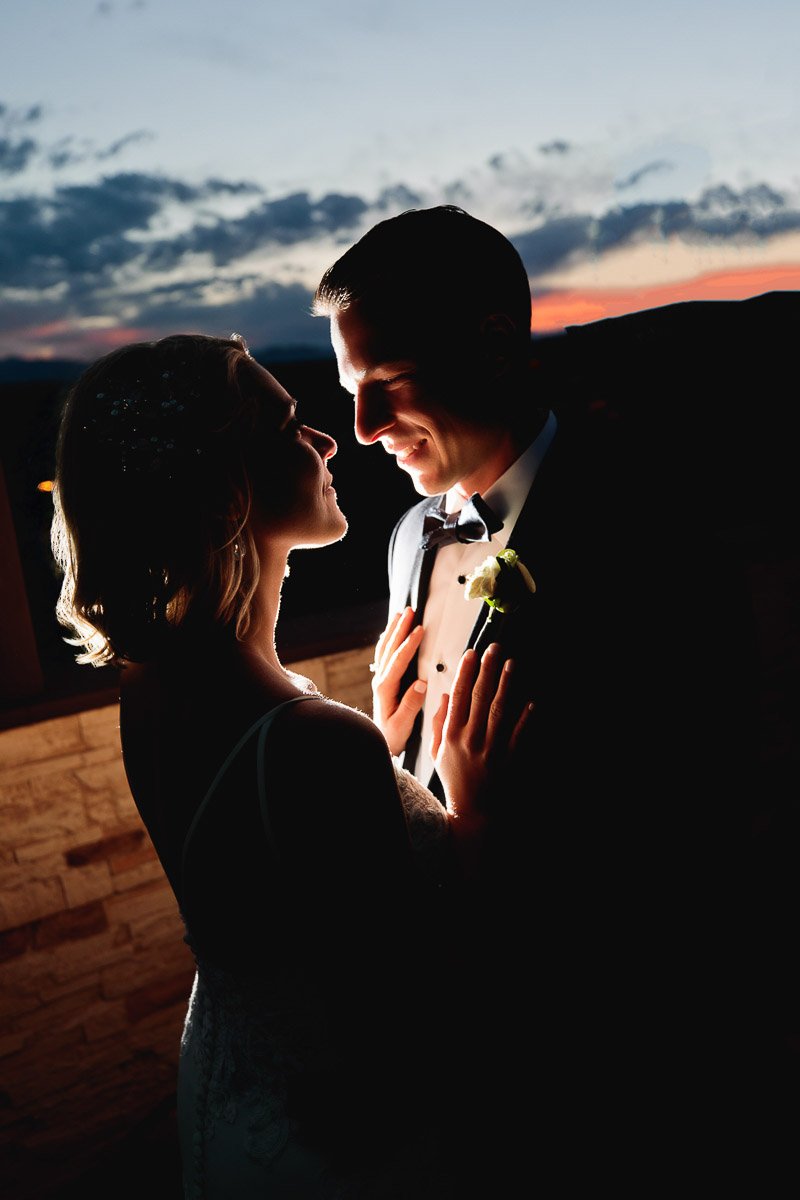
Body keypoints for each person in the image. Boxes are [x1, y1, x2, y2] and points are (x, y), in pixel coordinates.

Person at [313, 206, 763, 1184]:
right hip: (461, 1035)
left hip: (625, 1040)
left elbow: (722, 793)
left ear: (488, 340)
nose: (363, 427)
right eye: (351, 392)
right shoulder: (408, 541)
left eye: (385, 381)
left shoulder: (647, 518)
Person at [49, 332, 532, 1199]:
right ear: (226, 482)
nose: (328, 440)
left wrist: (383, 764)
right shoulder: (312, 745)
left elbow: (276, 893)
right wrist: (474, 819)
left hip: (240, 1112)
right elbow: (416, 1015)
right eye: (289, 426)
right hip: (355, 1152)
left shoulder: (153, 687)